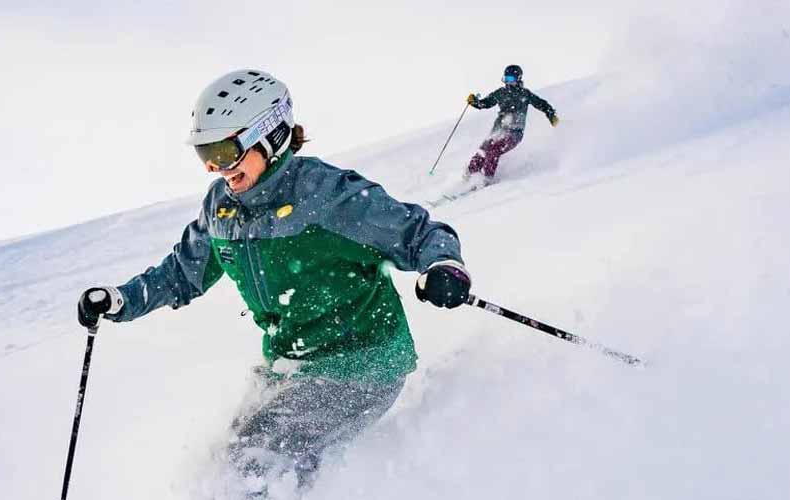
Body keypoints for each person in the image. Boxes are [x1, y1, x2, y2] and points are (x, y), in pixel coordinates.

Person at [75, 69, 474, 497]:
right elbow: (181, 273)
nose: (214, 166)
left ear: (269, 135)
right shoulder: (220, 208)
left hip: (362, 364)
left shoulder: (327, 193)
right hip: (288, 365)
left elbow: (419, 233)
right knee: (225, 458)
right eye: (204, 154)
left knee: (255, 462)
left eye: (224, 150)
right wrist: (123, 300)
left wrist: (443, 266)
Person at [464, 64, 559, 182]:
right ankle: (469, 176)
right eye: (506, 79)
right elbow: (485, 103)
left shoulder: (525, 94)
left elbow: (542, 104)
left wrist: (551, 115)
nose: (508, 82)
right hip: (498, 131)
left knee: (494, 150)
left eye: (511, 79)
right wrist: (475, 102)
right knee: (483, 150)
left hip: (514, 133)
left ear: (518, 79)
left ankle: (487, 178)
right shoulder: (500, 93)